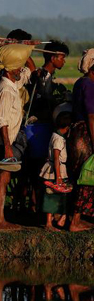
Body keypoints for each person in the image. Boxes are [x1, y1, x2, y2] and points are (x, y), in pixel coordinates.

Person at [0, 57, 34, 229]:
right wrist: (8, 147)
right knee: (3, 178)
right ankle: (0, 219)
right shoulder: (6, 90)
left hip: (9, 139)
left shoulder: (12, 85)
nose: (19, 71)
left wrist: (25, 51)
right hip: (5, 141)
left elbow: (29, 71)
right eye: (16, 68)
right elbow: (1, 120)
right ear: (8, 70)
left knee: (2, 178)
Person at [68, 49, 94, 231]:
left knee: (78, 175)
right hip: (85, 134)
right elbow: (92, 116)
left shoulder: (80, 82)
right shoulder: (90, 85)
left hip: (76, 133)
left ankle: (72, 218)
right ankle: (75, 222)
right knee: (86, 176)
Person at [40, 111, 73, 230]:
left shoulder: (56, 136)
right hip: (55, 170)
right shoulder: (58, 139)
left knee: (58, 195)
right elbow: (56, 157)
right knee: (51, 195)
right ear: (67, 127)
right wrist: (58, 176)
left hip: (58, 169)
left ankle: (57, 218)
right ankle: (49, 223)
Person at [30, 41, 69, 123]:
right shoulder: (43, 77)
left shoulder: (46, 75)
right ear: (53, 59)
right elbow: (45, 100)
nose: (64, 61)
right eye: (62, 58)